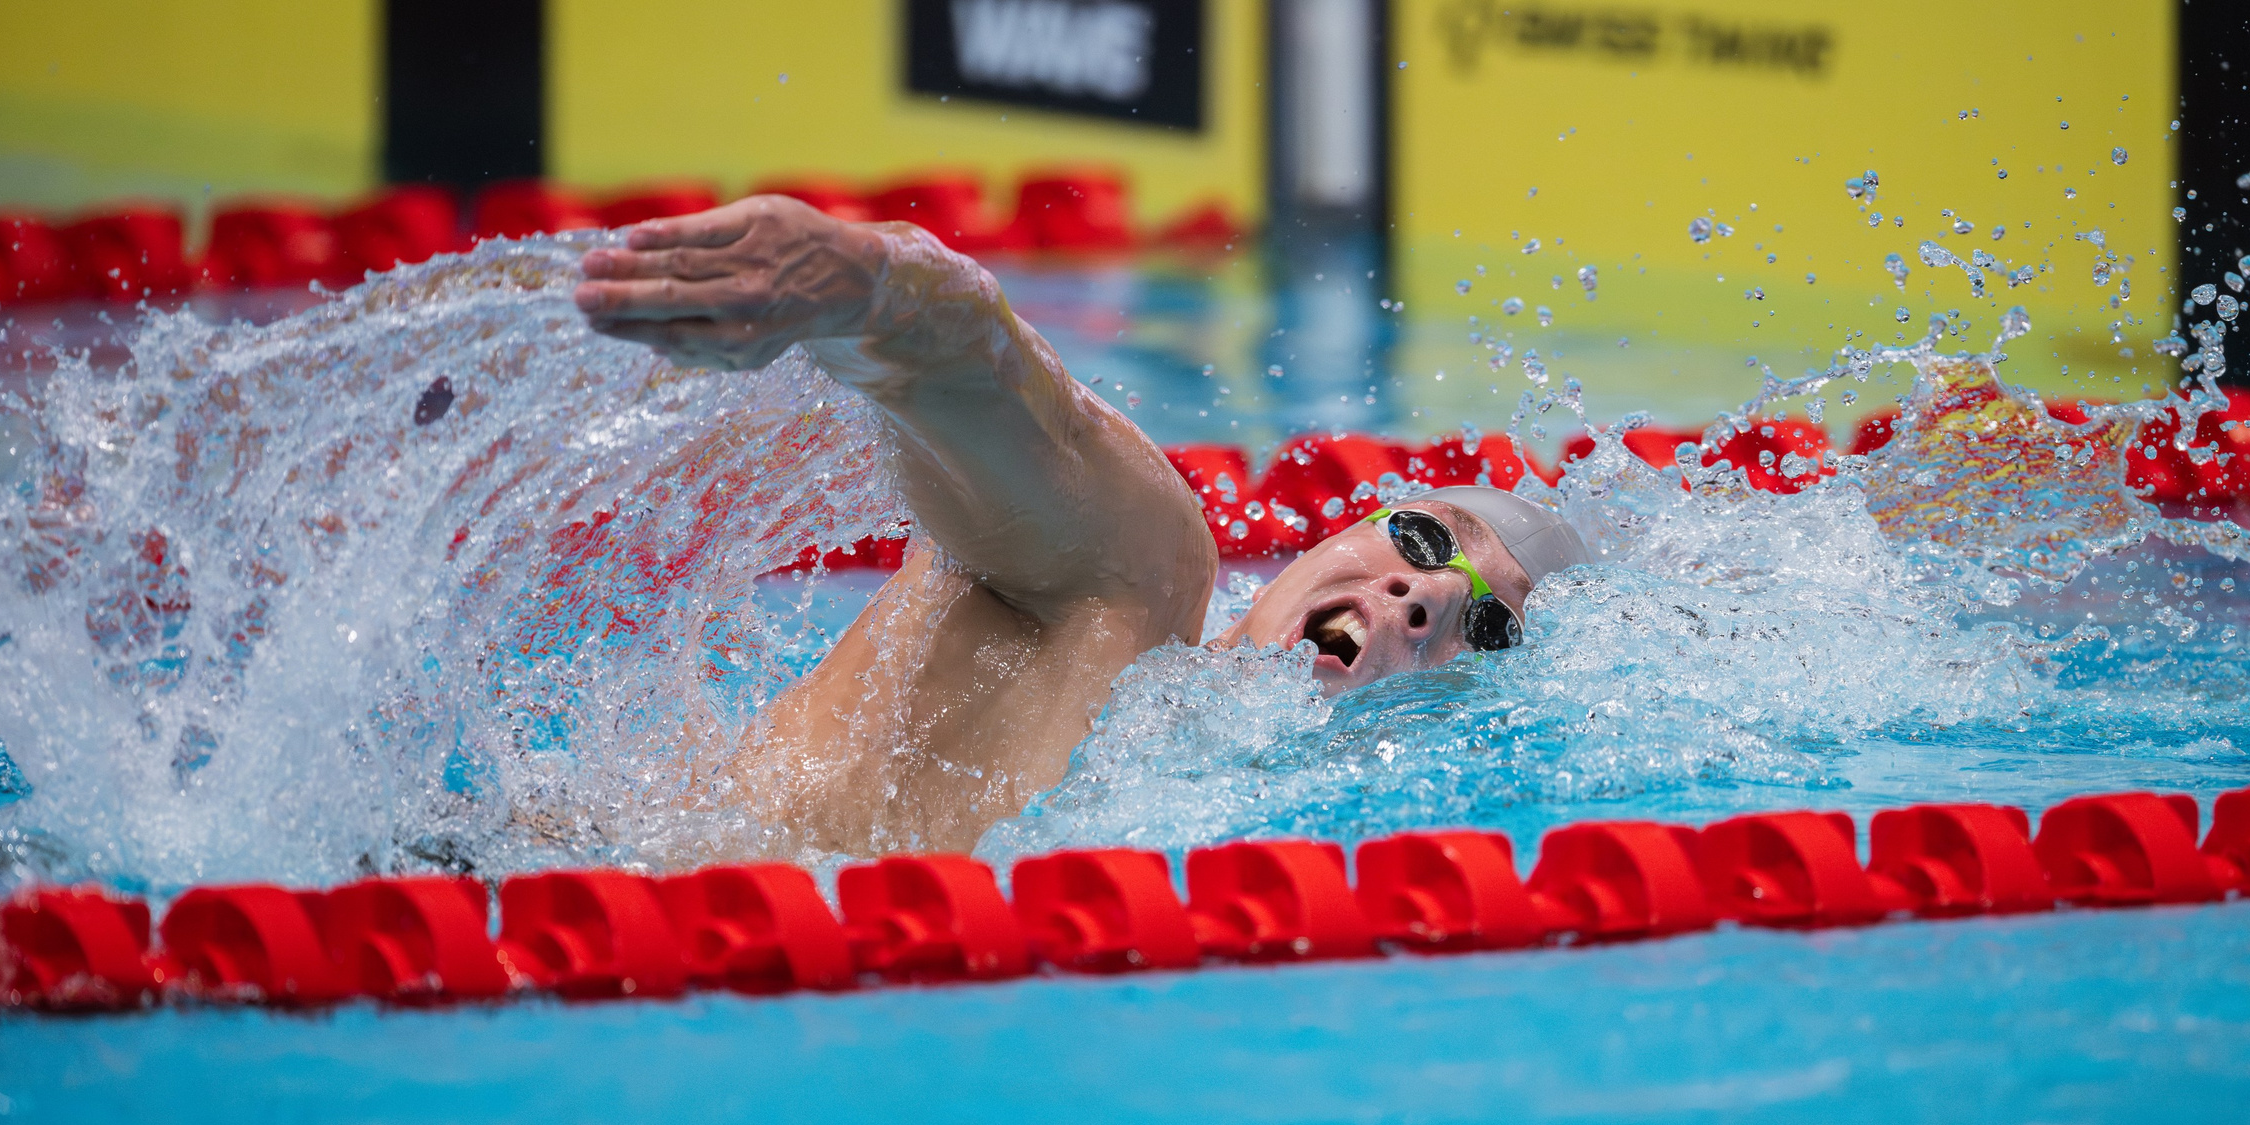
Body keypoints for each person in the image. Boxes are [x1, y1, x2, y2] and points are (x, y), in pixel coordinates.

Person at [575, 195, 1590, 857]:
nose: (1434, 592)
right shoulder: (1134, 580)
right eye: (1421, 540)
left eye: (1488, 630)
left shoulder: (1239, 829)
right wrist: (870, 290)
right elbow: (995, 386)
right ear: (1333, 540)